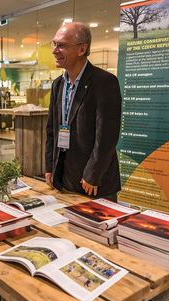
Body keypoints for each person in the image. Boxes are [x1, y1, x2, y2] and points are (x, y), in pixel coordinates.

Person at [45, 22, 122, 202]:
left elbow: (107, 137)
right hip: (64, 176)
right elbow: (51, 130)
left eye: (61, 45)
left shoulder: (104, 82)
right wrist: (49, 167)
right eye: (54, 44)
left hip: (94, 182)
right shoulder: (58, 84)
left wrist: (92, 175)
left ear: (82, 49)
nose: (54, 50)